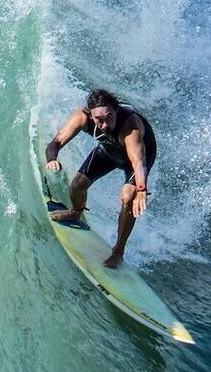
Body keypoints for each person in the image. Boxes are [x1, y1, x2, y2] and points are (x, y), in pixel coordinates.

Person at [45, 89, 157, 269]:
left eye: (109, 117)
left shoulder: (130, 126)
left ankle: (118, 251)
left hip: (138, 160)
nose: (104, 125)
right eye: (99, 120)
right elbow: (55, 142)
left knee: (128, 197)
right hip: (110, 151)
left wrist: (141, 189)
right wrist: (52, 159)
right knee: (77, 185)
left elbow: (138, 164)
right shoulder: (82, 118)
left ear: (116, 111)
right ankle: (76, 213)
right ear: (90, 115)